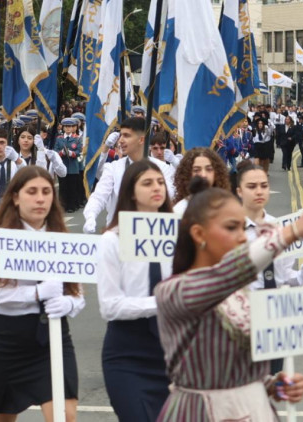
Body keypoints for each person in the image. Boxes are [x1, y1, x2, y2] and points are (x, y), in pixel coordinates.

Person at [154, 183, 303, 419]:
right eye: (231, 227)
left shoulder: (237, 291)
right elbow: (227, 274)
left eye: (242, 227)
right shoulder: (174, 291)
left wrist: (275, 386)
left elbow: (238, 370)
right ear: (198, 234)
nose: (241, 237)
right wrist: (291, 232)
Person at [0, 166, 84, 422]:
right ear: (15, 197)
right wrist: (34, 293)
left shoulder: (62, 239)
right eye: (32, 191)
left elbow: (77, 293)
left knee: (65, 416)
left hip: (53, 337)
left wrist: (70, 303)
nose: (40, 199)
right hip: (7, 340)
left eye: (46, 192)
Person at [97, 160, 173, 422]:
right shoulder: (112, 239)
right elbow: (110, 306)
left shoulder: (178, 234)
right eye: (148, 183)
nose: (157, 188)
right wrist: (161, 302)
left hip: (171, 352)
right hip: (127, 352)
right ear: (130, 191)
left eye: (161, 182)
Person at [82, 117, 175, 234]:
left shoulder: (162, 168)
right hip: (118, 233)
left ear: (141, 140)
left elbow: (168, 195)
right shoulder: (113, 168)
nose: (120, 140)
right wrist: (90, 216)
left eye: (126, 135)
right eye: (121, 135)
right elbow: (99, 196)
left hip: (152, 233)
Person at [234, 161, 302, 293]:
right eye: (252, 187)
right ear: (239, 191)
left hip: (274, 306)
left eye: (264, 186)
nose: (259, 192)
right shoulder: (228, 230)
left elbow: (284, 274)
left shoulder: (279, 226)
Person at [171, 148, 231, 217]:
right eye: (197, 170)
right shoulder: (179, 211)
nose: (203, 175)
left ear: (216, 173)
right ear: (188, 174)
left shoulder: (228, 207)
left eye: (209, 169)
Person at [55, 118, 84, 212]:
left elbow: (79, 151)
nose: (68, 128)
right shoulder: (59, 139)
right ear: (63, 128)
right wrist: (61, 152)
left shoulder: (77, 138)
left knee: (72, 187)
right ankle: (63, 205)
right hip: (62, 166)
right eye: (66, 126)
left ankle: (72, 206)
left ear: (73, 128)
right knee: (63, 187)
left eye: (70, 126)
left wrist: (72, 153)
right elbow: (55, 151)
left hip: (73, 166)